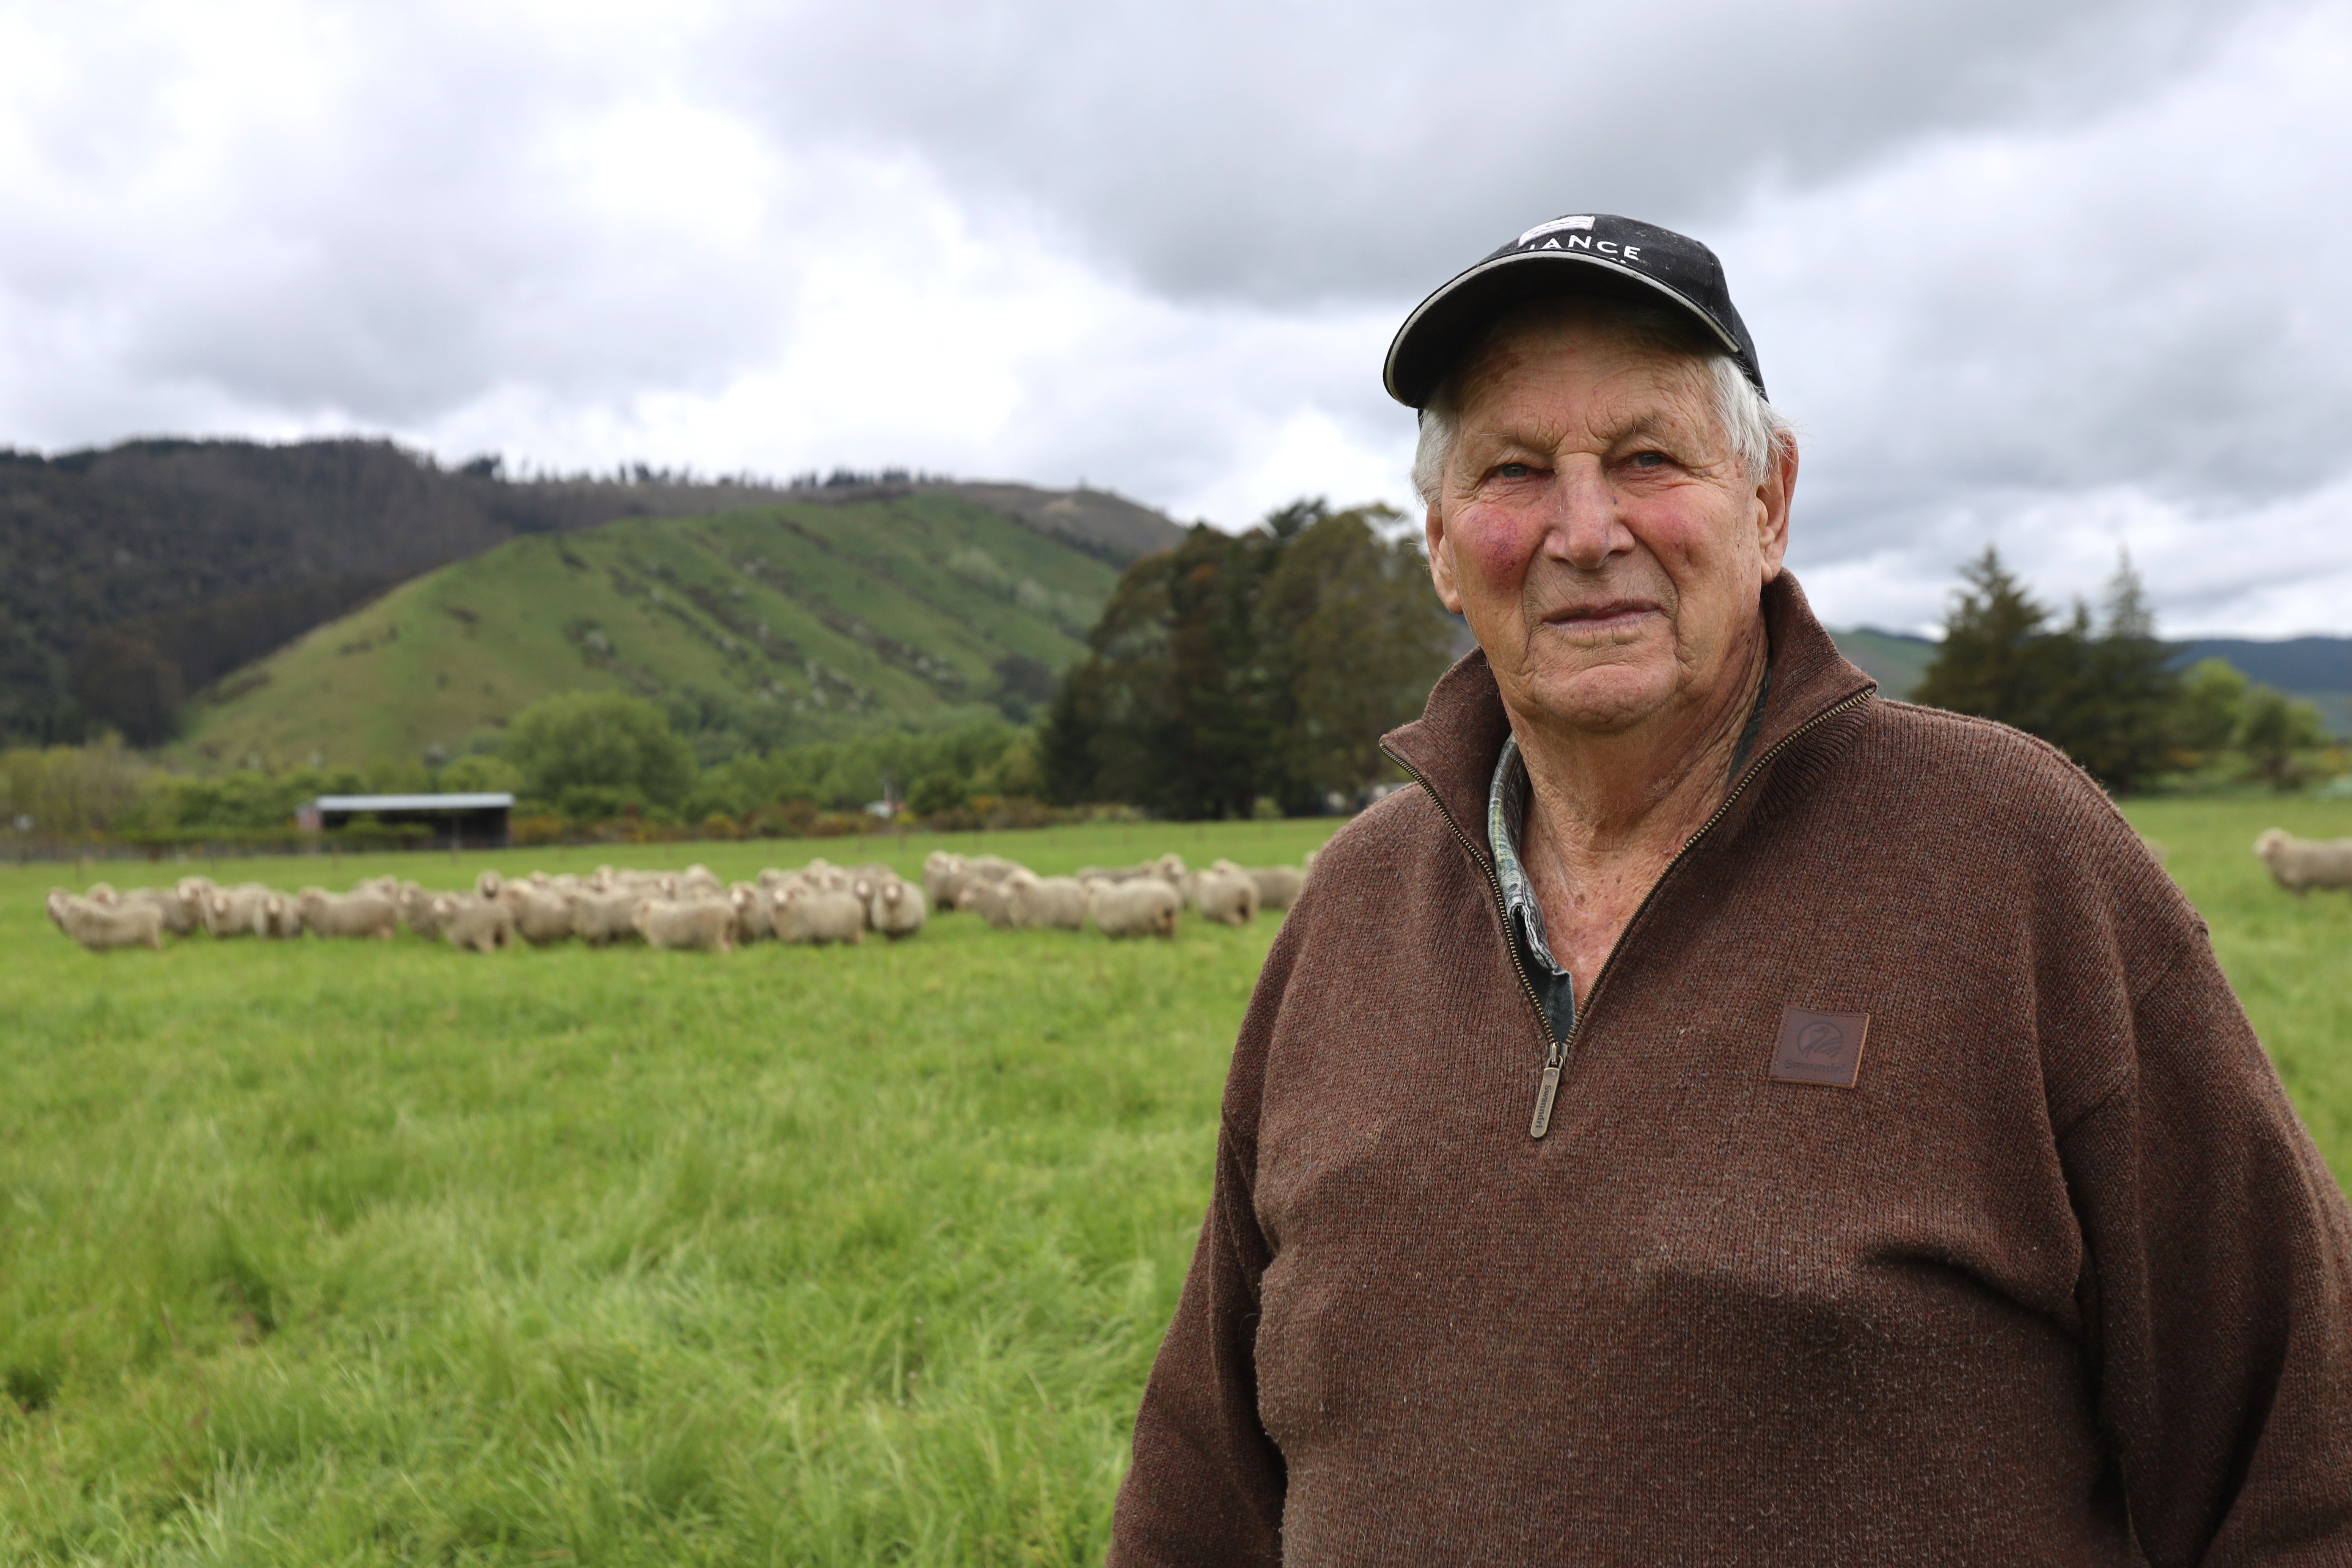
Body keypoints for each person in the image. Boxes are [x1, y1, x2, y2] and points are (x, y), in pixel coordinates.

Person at [1108, 213, 2352, 1563]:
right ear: (1443, 546)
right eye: (1514, 471)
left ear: (1767, 504)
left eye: (1646, 458)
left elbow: (2303, 1460)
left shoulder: (2012, 857)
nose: (1586, 531)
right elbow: (1202, 1484)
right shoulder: (1352, 908)